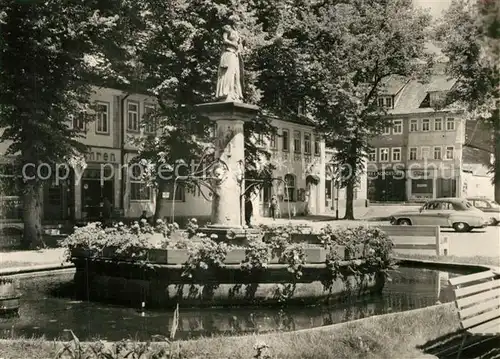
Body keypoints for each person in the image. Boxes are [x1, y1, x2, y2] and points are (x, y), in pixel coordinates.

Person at [216, 14, 244, 102]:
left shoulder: (237, 33)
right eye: (237, 21)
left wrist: (239, 45)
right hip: (228, 54)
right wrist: (233, 44)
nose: (238, 23)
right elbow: (224, 40)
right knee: (229, 73)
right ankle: (226, 93)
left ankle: (235, 94)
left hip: (235, 55)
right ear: (233, 22)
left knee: (236, 74)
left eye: (238, 21)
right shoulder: (228, 29)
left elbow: (239, 45)